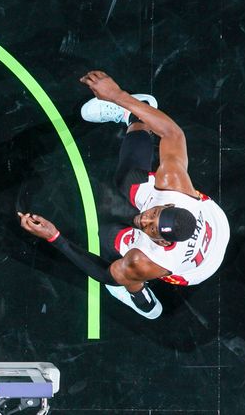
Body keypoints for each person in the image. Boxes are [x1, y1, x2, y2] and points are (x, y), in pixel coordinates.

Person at [18, 70, 229, 319]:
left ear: (161, 241)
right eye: (153, 214)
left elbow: (106, 275)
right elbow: (173, 133)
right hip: (216, 220)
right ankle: (133, 116)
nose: (143, 220)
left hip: (195, 268)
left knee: (110, 241)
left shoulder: (151, 259)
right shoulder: (174, 184)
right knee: (128, 180)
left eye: (150, 228)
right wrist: (118, 96)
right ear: (168, 204)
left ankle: (139, 294)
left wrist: (54, 237)